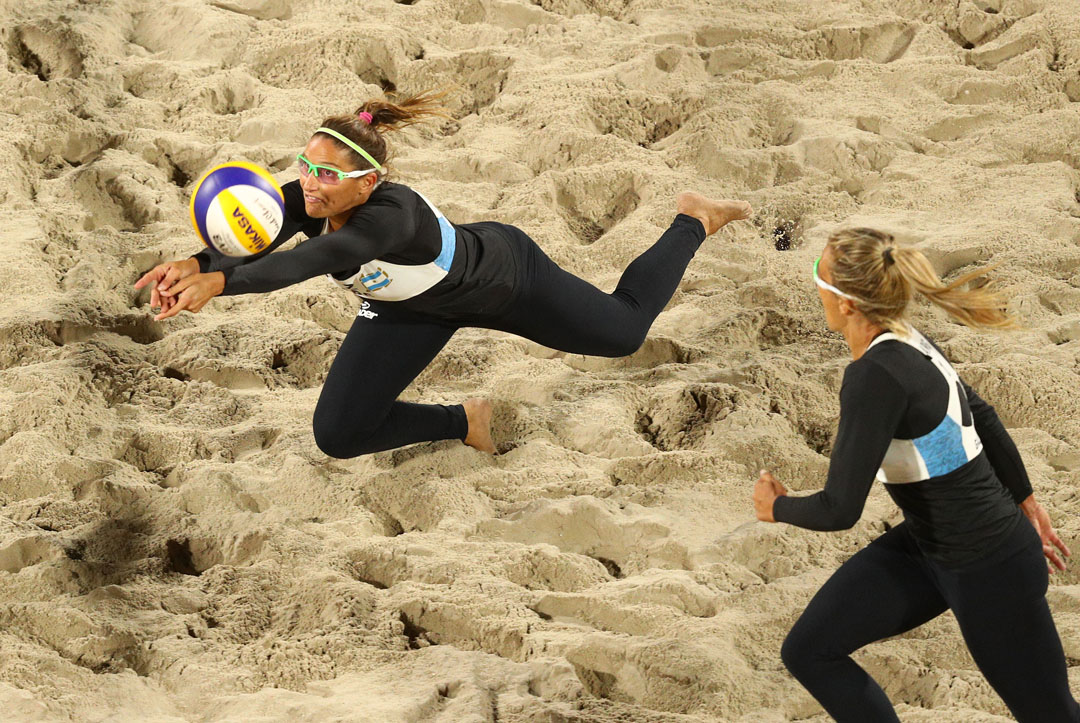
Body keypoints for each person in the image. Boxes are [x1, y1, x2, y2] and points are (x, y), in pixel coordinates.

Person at [135, 90, 753, 457]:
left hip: (504, 280)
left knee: (623, 334)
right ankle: (465, 420)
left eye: (326, 174)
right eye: (305, 165)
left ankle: (693, 221)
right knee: (339, 434)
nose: (308, 183)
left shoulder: (390, 215)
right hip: (409, 309)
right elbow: (252, 241)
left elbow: (306, 261)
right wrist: (196, 264)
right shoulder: (303, 199)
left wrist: (220, 285)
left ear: (369, 182)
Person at [751, 227, 1079, 722]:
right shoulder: (907, 337)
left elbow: (840, 509)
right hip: (929, 548)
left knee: (1052, 716)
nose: (813, 280)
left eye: (818, 273)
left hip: (990, 566)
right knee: (809, 649)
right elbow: (983, 415)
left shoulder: (873, 377)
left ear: (846, 305)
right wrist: (1027, 500)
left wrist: (775, 508)